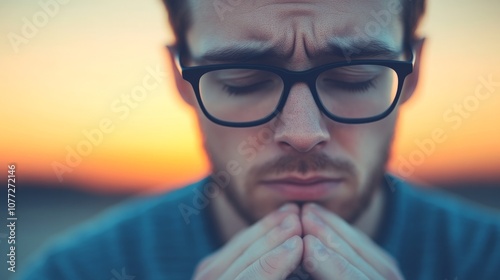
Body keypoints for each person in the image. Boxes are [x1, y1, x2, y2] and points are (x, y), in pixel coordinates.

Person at [19, 0, 500, 279]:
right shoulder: (75, 271)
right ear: (182, 80)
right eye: (243, 79)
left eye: (354, 76)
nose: (303, 133)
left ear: (413, 73)